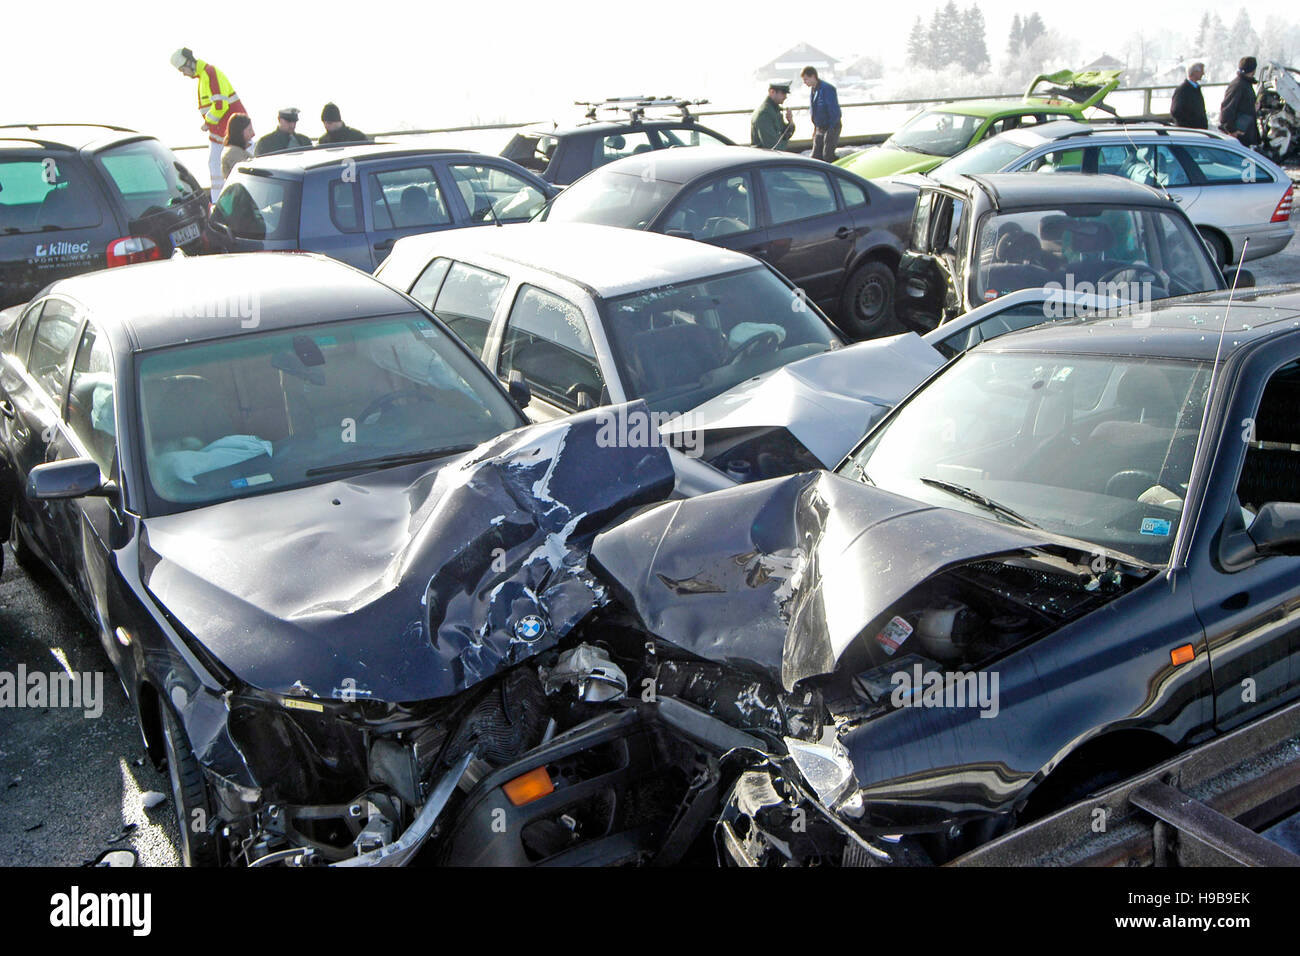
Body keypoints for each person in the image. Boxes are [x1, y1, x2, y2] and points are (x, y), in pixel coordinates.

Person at [170, 48, 247, 201]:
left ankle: (221, 203)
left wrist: (207, 123)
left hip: (233, 135)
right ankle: (218, 203)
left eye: (183, 69)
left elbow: (220, 105)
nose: (184, 74)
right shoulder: (204, 77)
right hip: (221, 134)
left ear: (189, 63)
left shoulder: (210, 74)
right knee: (216, 168)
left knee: (234, 171)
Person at [802, 66, 842, 162]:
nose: (804, 82)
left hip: (830, 126)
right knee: (815, 156)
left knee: (827, 155)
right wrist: (815, 128)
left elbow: (834, 110)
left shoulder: (827, 89)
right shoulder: (813, 90)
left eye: (806, 79)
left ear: (813, 76)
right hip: (820, 127)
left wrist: (831, 128)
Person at [1219, 57, 1260, 147]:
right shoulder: (1239, 85)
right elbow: (1227, 108)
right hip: (1240, 135)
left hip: (1245, 132)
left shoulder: (1244, 84)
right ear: (1253, 70)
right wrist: (1231, 130)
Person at [751, 81, 796, 149]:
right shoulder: (765, 114)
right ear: (772, 92)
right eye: (783, 93)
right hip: (766, 157)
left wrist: (790, 122)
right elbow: (772, 146)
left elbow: (784, 136)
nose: (785, 97)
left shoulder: (774, 110)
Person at [1170, 62, 1208, 129]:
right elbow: (1176, 111)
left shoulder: (1196, 89)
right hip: (1189, 131)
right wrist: (1191, 123)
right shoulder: (1182, 90)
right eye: (1201, 71)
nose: (1203, 74)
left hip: (1198, 130)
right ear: (1194, 72)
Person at [221, 114, 255, 181]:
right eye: (249, 130)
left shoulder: (233, 150)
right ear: (240, 131)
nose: (253, 133)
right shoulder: (234, 153)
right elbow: (247, 177)